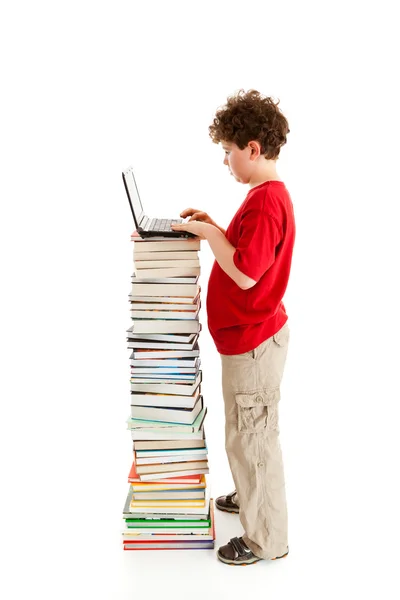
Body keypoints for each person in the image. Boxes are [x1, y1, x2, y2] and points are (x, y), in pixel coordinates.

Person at [171, 89, 295, 566]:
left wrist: (207, 235)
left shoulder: (266, 203)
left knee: (254, 438)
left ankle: (267, 538)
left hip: (255, 344)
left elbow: (245, 272)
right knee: (244, 433)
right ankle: (250, 495)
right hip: (246, 342)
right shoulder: (261, 198)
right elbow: (246, 254)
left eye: (228, 152)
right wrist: (215, 228)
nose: (225, 162)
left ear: (253, 149)